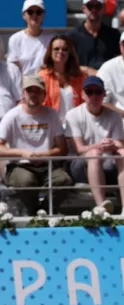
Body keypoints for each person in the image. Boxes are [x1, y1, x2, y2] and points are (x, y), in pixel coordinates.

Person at [0, 75, 72, 216]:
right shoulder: (12, 115)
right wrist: (21, 152)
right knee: (26, 181)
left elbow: (63, 148)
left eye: (37, 91)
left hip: (47, 165)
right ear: (23, 94)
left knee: (64, 180)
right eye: (29, 90)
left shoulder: (52, 114)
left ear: (44, 94)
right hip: (20, 165)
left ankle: (44, 211)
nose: (33, 94)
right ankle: (33, 213)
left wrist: (43, 155)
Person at [65, 75, 124, 212]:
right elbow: (79, 149)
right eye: (89, 92)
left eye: (98, 92)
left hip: (107, 162)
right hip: (80, 166)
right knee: (94, 154)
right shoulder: (73, 115)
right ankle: (101, 207)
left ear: (103, 95)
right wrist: (99, 146)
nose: (94, 96)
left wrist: (111, 145)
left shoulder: (114, 116)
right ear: (83, 95)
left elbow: (119, 144)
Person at [39, 35, 86, 122]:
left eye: (65, 49)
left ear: (70, 53)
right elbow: (41, 105)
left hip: (77, 125)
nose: (60, 52)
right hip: (52, 126)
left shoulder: (80, 76)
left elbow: (85, 104)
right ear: (50, 52)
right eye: (56, 49)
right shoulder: (42, 76)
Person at [68, 0, 121, 76]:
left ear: (103, 9)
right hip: (81, 81)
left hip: (107, 80)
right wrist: (86, 70)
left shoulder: (114, 35)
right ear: (83, 9)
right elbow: (67, 64)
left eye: (98, 6)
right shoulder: (73, 36)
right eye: (90, 6)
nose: (94, 10)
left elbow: (119, 61)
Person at [8, 0, 53, 77]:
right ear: (24, 15)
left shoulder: (51, 39)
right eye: (30, 12)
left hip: (46, 83)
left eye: (38, 12)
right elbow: (13, 68)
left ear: (43, 15)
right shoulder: (15, 39)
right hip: (23, 84)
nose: (34, 15)